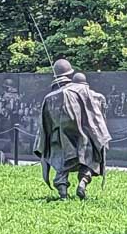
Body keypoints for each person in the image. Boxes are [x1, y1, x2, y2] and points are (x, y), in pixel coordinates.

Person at [34, 59, 111, 199]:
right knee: (91, 155)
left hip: (58, 136)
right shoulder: (89, 93)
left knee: (61, 159)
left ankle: (62, 190)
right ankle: (83, 182)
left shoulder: (49, 97)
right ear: (70, 74)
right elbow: (97, 116)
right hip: (85, 135)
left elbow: (44, 126)